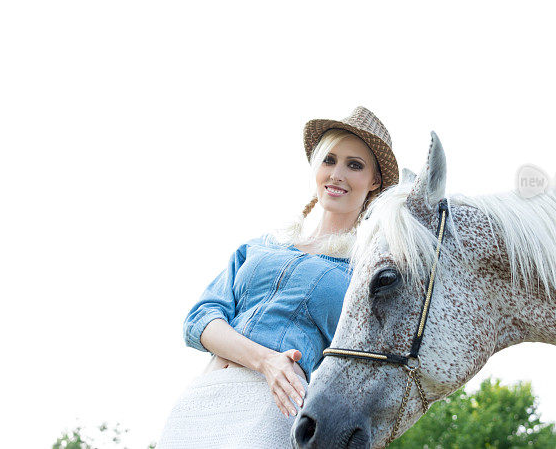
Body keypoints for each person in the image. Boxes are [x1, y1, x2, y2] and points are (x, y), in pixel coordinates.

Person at [157, 106, 399, 448]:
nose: (337, 174)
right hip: (202, 399)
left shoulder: (364, 272)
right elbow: (199, 320)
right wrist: (267, 360)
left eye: (354, 165)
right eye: (329, 160)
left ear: (374, 181)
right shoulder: (262, 246)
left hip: (275, 406)